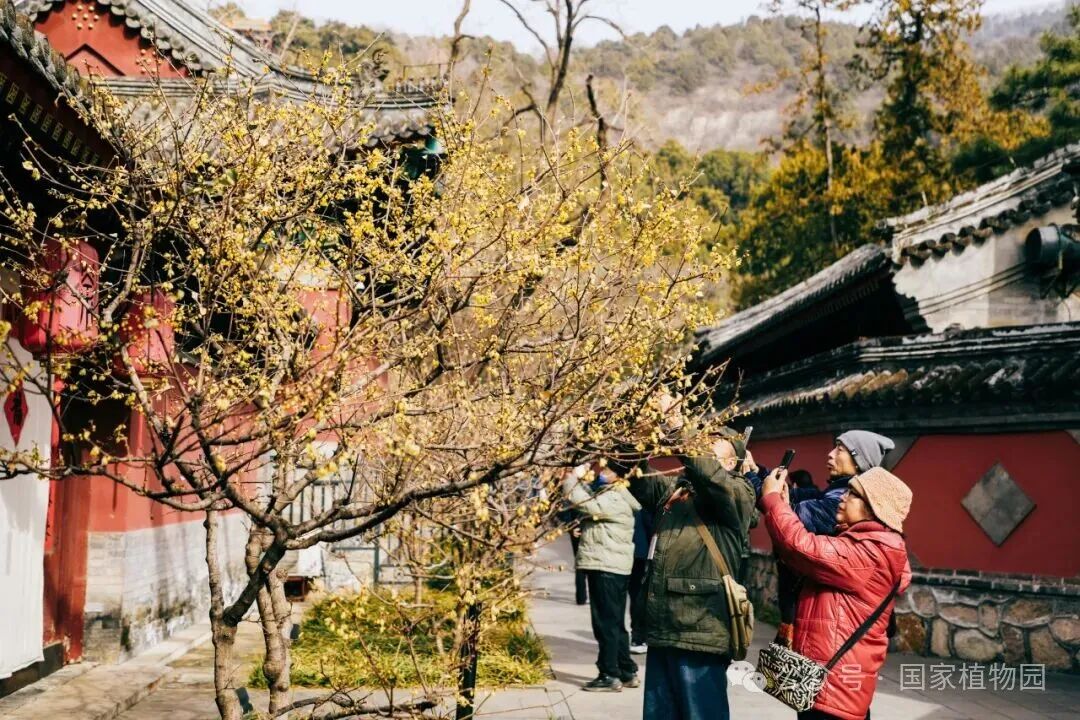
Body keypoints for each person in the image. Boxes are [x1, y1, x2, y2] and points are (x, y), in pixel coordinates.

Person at [760, 465, 913, 720]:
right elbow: (806, 557)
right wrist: (785, 507)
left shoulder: (870, 553)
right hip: (824, 684)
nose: (843, 497)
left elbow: (802, 546)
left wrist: (773, 501)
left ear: (874, 508)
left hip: (834, 691)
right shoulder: (860, 544)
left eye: (853, 494)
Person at [626, 428, 756, 720]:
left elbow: (708, 473)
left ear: (731, 463)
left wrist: (676, 428)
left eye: (712, 444)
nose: (701, 446)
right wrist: (628, 427)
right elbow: (631, 471)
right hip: (663, 627)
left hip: (700, 629)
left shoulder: (738, 493)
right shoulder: (675, 490)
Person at [774, 432, 896, 646]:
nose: (830, 455)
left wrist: (775, 503)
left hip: (834, 639)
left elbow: (800, 542)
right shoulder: (863, 532)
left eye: (840, 450)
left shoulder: (864, 546)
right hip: (823, 628)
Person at [563, 464, 642, 692]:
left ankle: (609, 674)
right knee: (615, 622)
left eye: (606, 470)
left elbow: (584, 502)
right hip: (611, 565)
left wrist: (570, 478)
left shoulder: (615, 496)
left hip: (605, 566)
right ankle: (625, 670)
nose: (600, 473)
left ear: (618, 476)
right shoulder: (615, 494)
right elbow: (591, 503)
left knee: (605, 624)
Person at [628, 507, 654, 654]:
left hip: (632, 551)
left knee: (635, 596)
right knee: (640, 597)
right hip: (642, 553)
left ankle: (637, 636)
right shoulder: (644, 503)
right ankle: (639, 637)